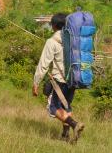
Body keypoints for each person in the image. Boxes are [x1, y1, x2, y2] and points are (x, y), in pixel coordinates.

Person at [33, 13, 85, 143]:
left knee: (53, 108)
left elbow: (43, 64)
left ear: (54, 26)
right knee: (66, 107)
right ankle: (65, 136)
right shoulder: (73, 39)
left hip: (59, 81)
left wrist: (36, 82)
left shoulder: (52, 42)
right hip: (73, 80)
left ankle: (74, 125)